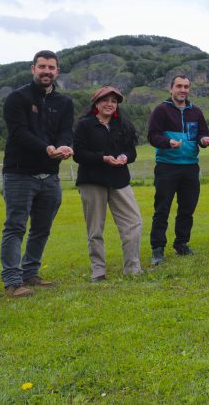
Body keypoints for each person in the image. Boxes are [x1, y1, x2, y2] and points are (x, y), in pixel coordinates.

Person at [0, 49, 75, 297]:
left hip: (50, 176)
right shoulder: (17, 98)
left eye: (51, 67)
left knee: (42, 227)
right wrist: (47, 149)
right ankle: (13, 281)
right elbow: (19, 133)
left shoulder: (64, 103)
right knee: (15, 226)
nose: (47, 71)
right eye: (42, 66)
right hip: (20, 174)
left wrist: (64, 146)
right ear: (33, 69)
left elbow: (65, 131)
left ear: (57, 71)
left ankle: (30, 273)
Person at [73, 86, 142, 282]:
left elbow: (132, 153)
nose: (109, 104)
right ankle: (98, 271)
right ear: (96, 103)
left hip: (119, 180)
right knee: (95, 228)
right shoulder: (85, 125)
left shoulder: (124, 125)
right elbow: (78, 154)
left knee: (134, 222)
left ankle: (132, 267)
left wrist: (123, 157)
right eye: (105, 100)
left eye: (113, 101)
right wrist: (103, 158)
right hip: (92, 181)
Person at [147, 74, 209, 264]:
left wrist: (204, 140)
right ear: (171, 89)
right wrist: (167, 142)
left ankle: (181, 244)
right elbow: (152, 135)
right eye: (179, 86)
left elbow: (202, 133)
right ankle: (157, 248)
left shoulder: (196, 112)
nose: (183, 90)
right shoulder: (161, 110)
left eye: (186, 86)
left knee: (187, 209)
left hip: (190, 167)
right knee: (162, 209)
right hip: (167, 166)